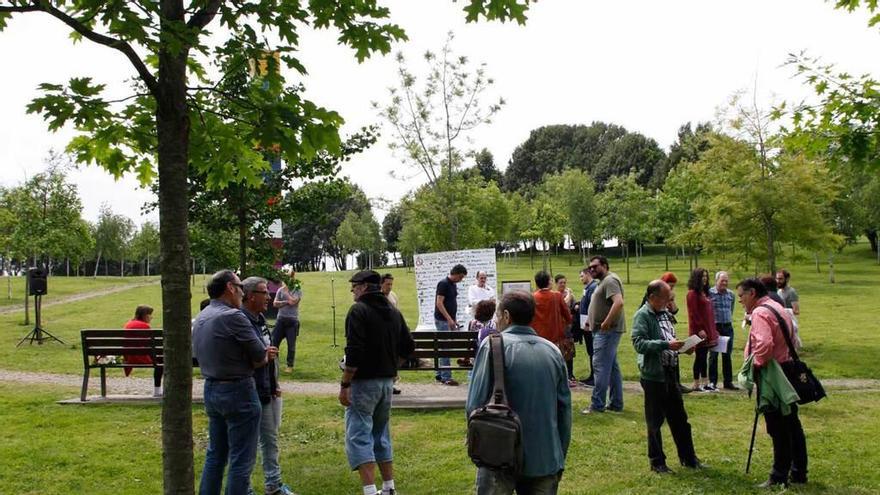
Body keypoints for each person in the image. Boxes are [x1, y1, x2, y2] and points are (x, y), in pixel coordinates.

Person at [466, 291, 572, 494]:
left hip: (497, 452)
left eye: (498, 315)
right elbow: (564, 411)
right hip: (545, 455)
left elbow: (474, 404)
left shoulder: (492, 346)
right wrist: (558, 454)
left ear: (506, 316)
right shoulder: (553, 352)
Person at [193, 270, 277, 495]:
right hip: (238, 390)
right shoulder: (233, 315)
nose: (242, 292)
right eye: (240, 287)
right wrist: (264, 356)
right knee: (241, 459)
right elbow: (260, 355)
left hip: (211, 388)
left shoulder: (201, 316)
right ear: (230, 287)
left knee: (215, 455)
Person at [339, 270, 415, 495]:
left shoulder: (358, 310)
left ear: (363, 286)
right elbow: (408, 347)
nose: (351, 289)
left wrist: (345, 385)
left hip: (363, 383)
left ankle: (370, 491)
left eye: (354, 285)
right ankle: (389, 487)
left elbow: (354, 351)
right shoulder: (393, 311)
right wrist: (392, 366)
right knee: (381, 434)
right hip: (386, 384)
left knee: (359, 435)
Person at [737, 278, 808, 488]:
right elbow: (794, 338)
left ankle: (779, 475)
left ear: (752, 293)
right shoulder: (777, 306)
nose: (740, 300)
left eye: (741, 296)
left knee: (777, 426)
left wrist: (756, 364)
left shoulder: (760, 312)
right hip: (787, 367)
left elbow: (765, 345)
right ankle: (799, 471)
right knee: (792, 423)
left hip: (773, 373)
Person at [632, 280, 705, 474]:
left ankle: (689, 458)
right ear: (652, 297)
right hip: (654, 375)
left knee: (680, 418)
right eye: (665, 298)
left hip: (671, 373)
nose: (668, 302)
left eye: (669, 299)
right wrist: (665, 345)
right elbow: (639, 344)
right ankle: (657, 463)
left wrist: (685, 347)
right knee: (655, 422)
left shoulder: (666, 314)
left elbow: (672, 340)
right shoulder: (642, 316)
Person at [241, 277, 296, 495]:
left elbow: (268, 354)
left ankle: (273, 485)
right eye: (264, 292)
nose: (269, 296)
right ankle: (243, 488)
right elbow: (243, 357)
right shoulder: (240, 321)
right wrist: (265, 356)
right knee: (248, 444)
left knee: (270, 439)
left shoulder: (260, 319)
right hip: (249, 390)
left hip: (266, 388)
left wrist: (274, 384)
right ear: (250, 295)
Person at [584, 255, 625, 414]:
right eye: (590, 268)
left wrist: (606, 322)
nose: (592, 269)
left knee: (600, 367)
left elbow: (618, 302)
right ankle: (616, 403)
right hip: (603, 330)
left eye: (595, 266)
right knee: (612, 368)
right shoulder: (603, 282)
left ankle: (597, 404)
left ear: (605, 265)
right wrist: (590, 320)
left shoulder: (610, 281)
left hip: (607, 332)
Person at [434, 264, 468, 386]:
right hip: (442, 320)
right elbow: (439, 303)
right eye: (460, 276)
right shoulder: (443, 283)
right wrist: (449, 319)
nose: (461, 279)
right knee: (445, 348)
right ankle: (446, 377)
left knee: (445, 346)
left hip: (449, 319)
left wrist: (454, 319)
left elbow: (451, 302)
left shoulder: (453, 285)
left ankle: (439, 373)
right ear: (455, 273)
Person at [686, 268, 719, 392]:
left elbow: (709, 313)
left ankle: (705, 382)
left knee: (704, 356)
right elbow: (693, 313)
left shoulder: (705, 293)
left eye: (706, 276)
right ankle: (696, 383)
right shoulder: (692, 294)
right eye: (702, 276)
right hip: (699, 331)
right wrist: (700, 328)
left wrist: (713, 329)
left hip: (708, 329)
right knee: (699, 357)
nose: (705, 278)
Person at [659, 272, 690, 394]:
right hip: (661, 327)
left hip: (669, 325)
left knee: (675, 353)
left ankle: (677, 383)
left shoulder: (669, 295)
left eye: (673, 286)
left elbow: (675, 310)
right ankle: (670, 383)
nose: (671, 288)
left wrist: (671, 299)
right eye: (669, 285)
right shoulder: (657, 294)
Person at [123, 304, 163, 397]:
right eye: (150, 315)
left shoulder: (129, 324)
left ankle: (158, 390)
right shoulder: (144, 326)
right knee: (161, 361)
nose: (151, 317)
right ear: (145, 315)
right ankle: (157, 390)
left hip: (129, 357)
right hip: (140, 357)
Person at [709, 271, 738, 390]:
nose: (724, 283)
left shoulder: (731, 294)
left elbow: (731, 310)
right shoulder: (710, 293)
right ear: (716, 281)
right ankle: (712, 381)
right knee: (713, 355)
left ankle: (728, 382)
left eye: (726, 280)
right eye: (722, 280)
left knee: (727, 355)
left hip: (727, 327)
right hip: (715, 327)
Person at [273, 270, 302, 373]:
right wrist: (285, 301)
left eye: (290, 277)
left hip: (292, 321)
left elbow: (294, 302)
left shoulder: (297, 290)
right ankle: (274, 363)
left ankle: (290, 365)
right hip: (280, 320)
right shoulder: (280, 290)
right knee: (274, 343)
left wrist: (287, 294)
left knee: (291, 345)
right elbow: (275, 304)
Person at [577, 267, 599, 387]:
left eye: (582, 276)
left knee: (593, 350)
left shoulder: (593, 287)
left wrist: (588, 323)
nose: (581, 279)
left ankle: (595, 377)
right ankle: (592, 375)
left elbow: (593, 306)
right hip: (585, 323)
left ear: (587, 274)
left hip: (589, 324)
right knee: (590, 351)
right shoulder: (588, 288)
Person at [555, 274, 578, 385]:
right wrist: (569, 295)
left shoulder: (570, 295)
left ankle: (570, 373)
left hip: (569, 328)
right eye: (561, 283)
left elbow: (573, 306)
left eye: (564, 282)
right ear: (556, 284)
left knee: (569, 351)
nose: (563, 285)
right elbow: (563, 304)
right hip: (559, 327)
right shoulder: (556, 296)